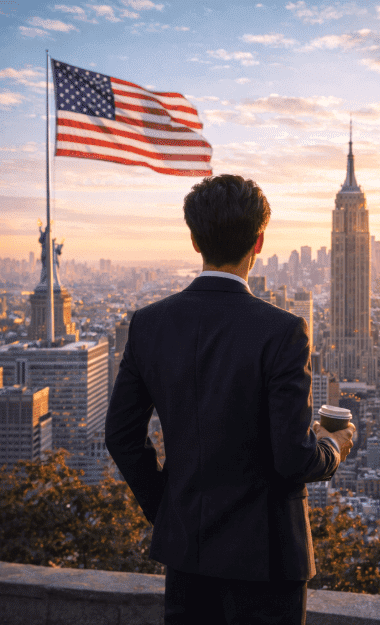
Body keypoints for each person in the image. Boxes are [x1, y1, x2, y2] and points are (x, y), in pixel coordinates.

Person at [106, 174, 355, 625]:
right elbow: (292, 459)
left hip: (187, 554)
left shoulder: (148, 324)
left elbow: (121, 436)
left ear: (194, 239)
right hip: (268, 560)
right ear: (259, 242)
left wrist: (166, 506)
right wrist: (334, 446)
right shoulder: (283, 331)